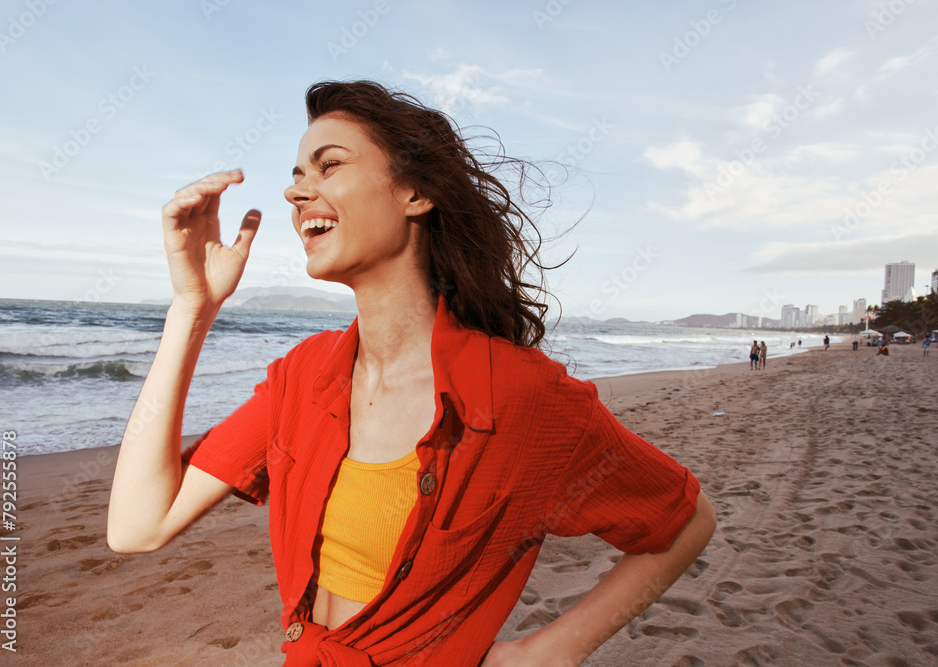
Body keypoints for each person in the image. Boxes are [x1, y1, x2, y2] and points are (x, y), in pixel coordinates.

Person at [106, 80, 716, 666]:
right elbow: (138, 526)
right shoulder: (303, 377)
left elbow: (686, 521)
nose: (296, 194)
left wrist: (552, 649)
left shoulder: (522, 396)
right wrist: (192, 307)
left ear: (414, 193)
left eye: (329, 166)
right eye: (296, 177)